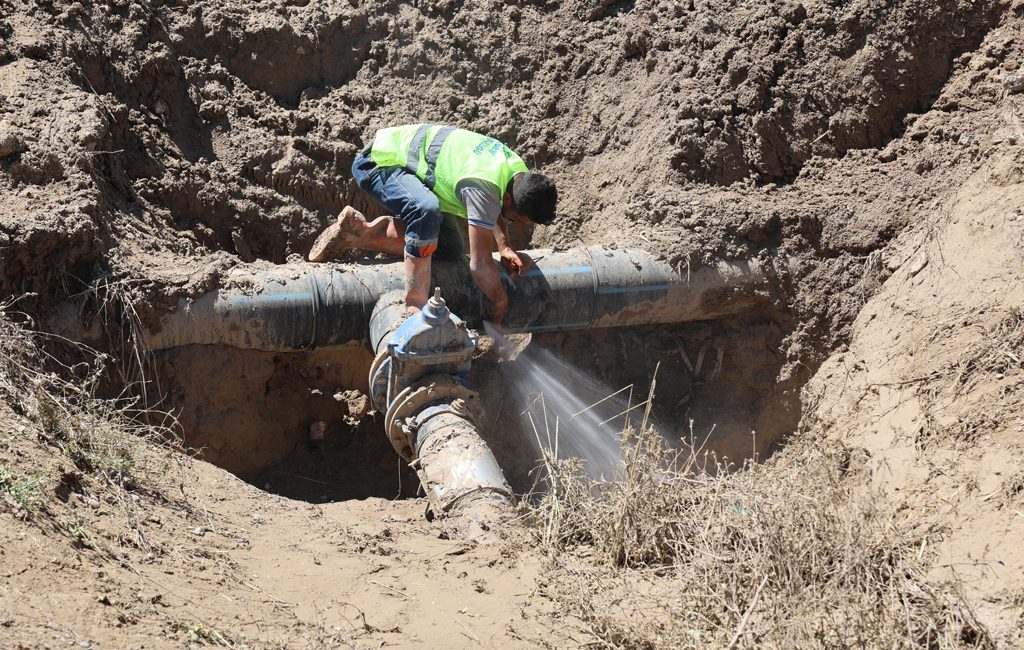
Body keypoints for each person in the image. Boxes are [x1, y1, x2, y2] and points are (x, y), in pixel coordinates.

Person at [308, 124, 557, 326]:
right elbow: (479, 266)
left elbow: (495, 206)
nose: (513, 222)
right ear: (508, 198)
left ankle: (360, 233)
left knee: (449, 249)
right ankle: (415, 302)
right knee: (424, 210)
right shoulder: (483, 185)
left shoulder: (518, 175)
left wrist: (504, 247)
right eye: (515, 218)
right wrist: (500, 301)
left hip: (418, 168)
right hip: (379, 162)